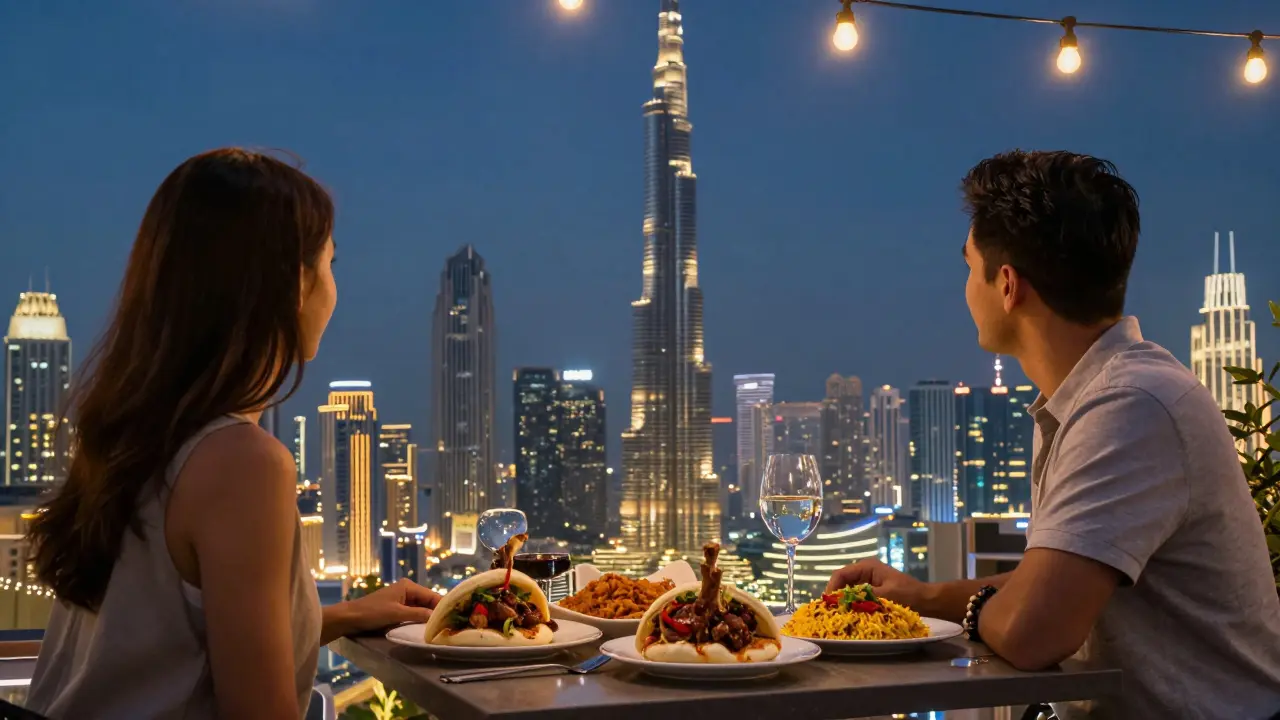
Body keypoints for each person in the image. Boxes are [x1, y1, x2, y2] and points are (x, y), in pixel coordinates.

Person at [828, 150, 1280, 720]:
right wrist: (916, 598)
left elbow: (1034, 629)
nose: (966, 286)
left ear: (1008, 285)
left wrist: (971, 614)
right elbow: (1055, 582)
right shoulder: (1090, 397)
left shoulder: (1131, 406)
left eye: (969, 267)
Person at [25, 149, 442, 719]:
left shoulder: (138, 434)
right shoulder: (241, 461)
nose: (332, 288)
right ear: (293, 283)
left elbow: (165, 639)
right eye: (330, 262)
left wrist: (340, 615)